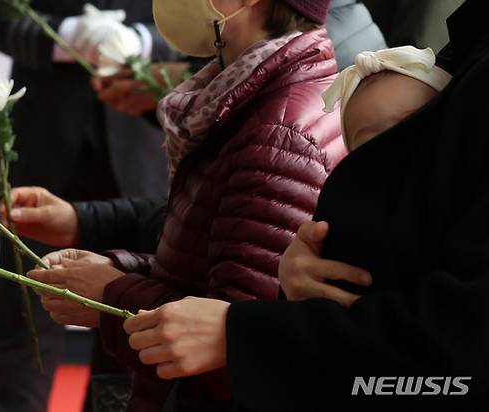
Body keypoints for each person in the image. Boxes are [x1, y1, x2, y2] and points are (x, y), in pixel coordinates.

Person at [123, 0, 489, 409]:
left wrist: (246, 334)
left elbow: (461, 348)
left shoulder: (283, 121)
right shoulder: (471, 39)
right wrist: (305, 266)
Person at [27, 0, 346, 410]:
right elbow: (205, 267)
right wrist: (112, 271)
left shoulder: (279, 131)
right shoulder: (249, 94)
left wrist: (110, 294)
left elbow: (233, 346)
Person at [0, 1, 182, 411]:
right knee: (24, 319)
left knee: (131, 321)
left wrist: (143, 41)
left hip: (146, 143)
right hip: (42, 135)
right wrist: (65, 37)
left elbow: (211, 22)